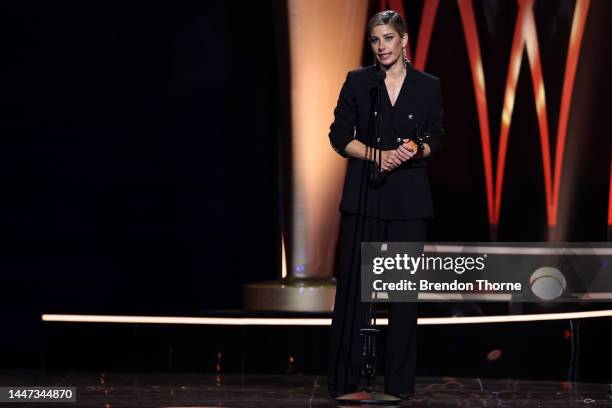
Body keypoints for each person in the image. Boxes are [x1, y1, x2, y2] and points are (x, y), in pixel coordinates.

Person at [326, 10, 444, 400]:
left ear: (404, 40)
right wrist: (378, 154)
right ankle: (345, 382)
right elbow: (339, 135)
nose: (382, 47)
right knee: (353, 295)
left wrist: (413, 150)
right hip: (364, 198)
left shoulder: (428, 85)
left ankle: (399, 385)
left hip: (409, 202)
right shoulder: (360, 82)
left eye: (389, 39)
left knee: (402, 297)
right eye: (376, 40)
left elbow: (436, 137)